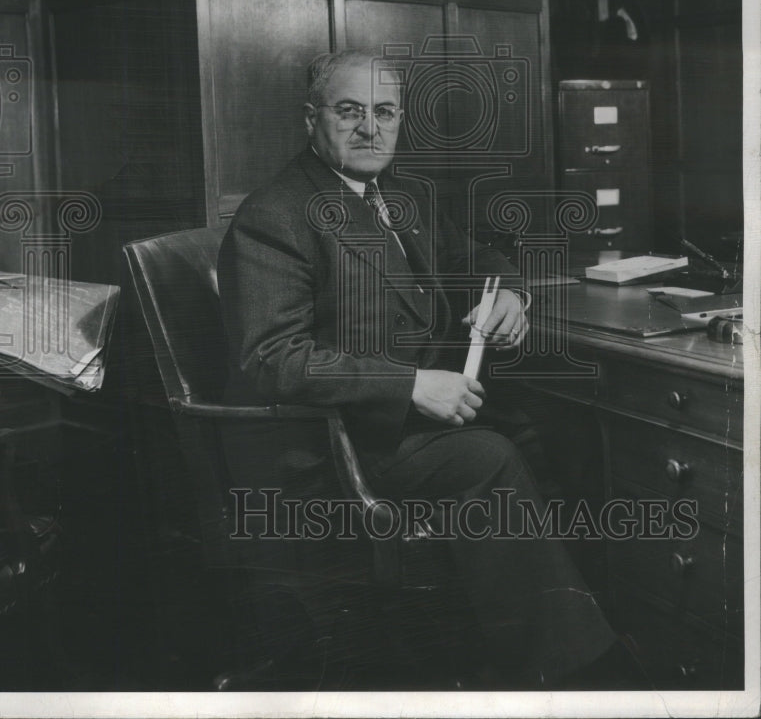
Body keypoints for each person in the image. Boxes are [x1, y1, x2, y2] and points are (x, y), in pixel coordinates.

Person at [217, 49, 633, 689]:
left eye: (384, 112)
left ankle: (559, 635)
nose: (369, 128)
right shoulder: (276, 214)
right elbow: (272, 359)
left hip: (409, 426)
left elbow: (483, 258)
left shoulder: (402, 194)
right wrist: (411, 384)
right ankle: (567, 676)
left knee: (569, 424)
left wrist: (511, 294)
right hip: (339, 442)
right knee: (486, 457)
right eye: (349, 111)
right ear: (311, 119)